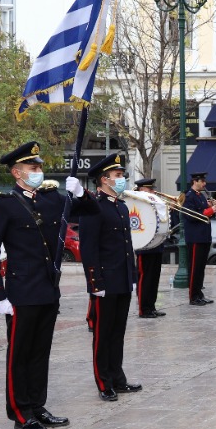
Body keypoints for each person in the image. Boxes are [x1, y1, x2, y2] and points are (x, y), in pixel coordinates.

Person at [0, 141, 89, 429]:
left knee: (41, 352)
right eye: (32, 167)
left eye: (39, 166)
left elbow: (88, 211)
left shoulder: (51, 199)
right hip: (21, 291)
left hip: (48, 289)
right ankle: (20, 412)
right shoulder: (3, 204)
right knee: (20, 354)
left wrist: (80, 193)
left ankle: (37, 406)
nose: (38, 171)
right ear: (17, 172)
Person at [71, 153, 142, 401]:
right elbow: (89, 248)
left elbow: (126, 246)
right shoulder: (93, 207)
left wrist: (132, 275)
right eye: (117, 175)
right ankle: (104, 382)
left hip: (121, 279)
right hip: (104, 281)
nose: (122, 179)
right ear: (104, 179)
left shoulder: (120, 206)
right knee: (103, 334)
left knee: (118, 332)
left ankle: (117, 377)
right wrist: (94, 282)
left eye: (122, 175)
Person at [132, 179, 166, 319]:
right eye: (150, 189)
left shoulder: (154, 202)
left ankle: (151, 306)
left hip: (156, 244)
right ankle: (143, 308)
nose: (153, 191)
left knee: (154, 278)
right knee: (144, 278)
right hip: (144, 246)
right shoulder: (136, 202)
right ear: (141, 190)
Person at [181, 172, 216, 306]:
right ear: (195, 181)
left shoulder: (200, 195)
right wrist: (210, 210)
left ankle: (199, 294)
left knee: (201, 267)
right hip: (195, 237)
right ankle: (193, 296)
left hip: (204, 236)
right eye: (202, 181)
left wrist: (211, 207)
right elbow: (191, 216)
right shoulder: (189, 196)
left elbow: (205, 215)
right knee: (195, 268)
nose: (204, 184)